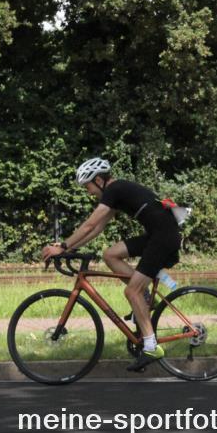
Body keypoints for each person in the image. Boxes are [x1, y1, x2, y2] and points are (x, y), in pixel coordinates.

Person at [40, 157, 182, 372]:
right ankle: (142, 295)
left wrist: (63, 246)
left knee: (131, 292)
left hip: (162, 238)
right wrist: (66, 247)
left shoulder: (114, 190)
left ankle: (151, 346)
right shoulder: (117, 192)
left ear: (98, 180)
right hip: (159, 234)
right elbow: (97, 229)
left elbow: (89, 225)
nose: (88, 191)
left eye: (87, 186)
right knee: (110, 254)